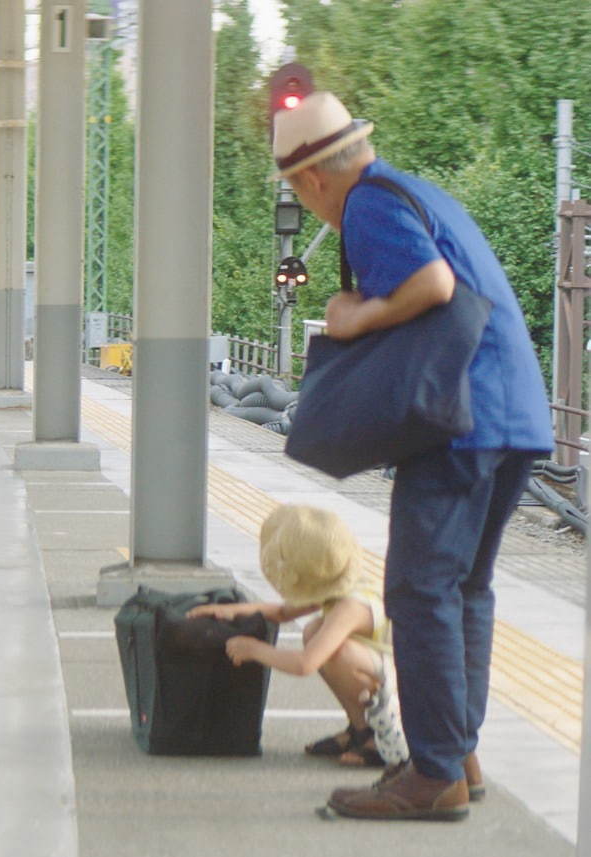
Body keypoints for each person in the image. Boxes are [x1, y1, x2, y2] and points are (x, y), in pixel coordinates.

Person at [270, 92, 554, 821]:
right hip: (513, 410)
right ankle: (457, 753)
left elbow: (433, 285)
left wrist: (355, 314)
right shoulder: (420, 190)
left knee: (420, 590)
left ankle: (432, 773)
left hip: (458, 419)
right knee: (465, 590)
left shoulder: (367, 203)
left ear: (309, 182)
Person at [189, 504, 407, 769]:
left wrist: (254, 649)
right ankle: (358, 729)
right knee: (314, 630)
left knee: (335, 651)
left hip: (404, 686)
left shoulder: (351, 606)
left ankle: (376, 739)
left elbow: (305, 664)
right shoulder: (337, 581)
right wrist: (228, 611)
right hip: (385, 670)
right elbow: (281, 612)